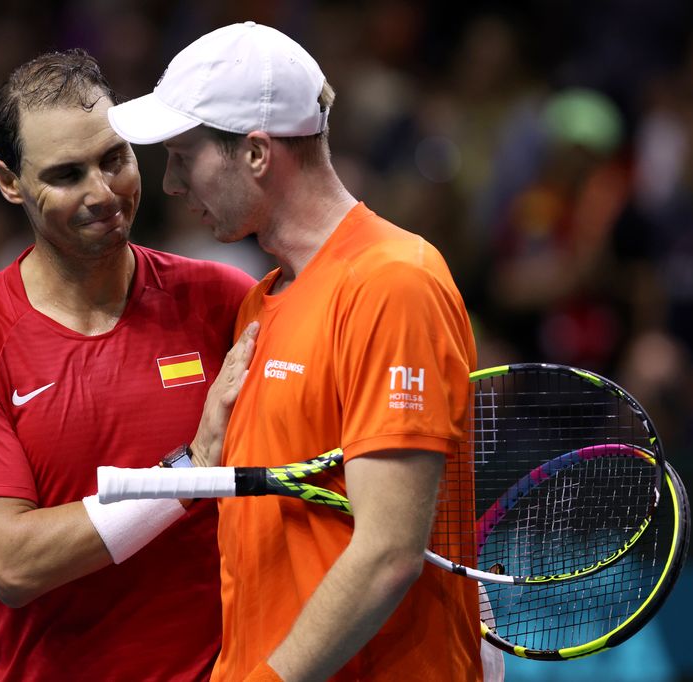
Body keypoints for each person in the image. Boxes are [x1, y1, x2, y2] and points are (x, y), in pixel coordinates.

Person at [108, 22, 489, 681]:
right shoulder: (263, 302)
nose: (168, 184)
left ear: (256, 153)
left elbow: (389, 552)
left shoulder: (393, 282)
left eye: (183, 156)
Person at [0, 48, 258, 681]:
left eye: (114, 159)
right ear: (8, 181)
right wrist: (191, 471)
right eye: (67, 174)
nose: (103, 193)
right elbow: (15, 567)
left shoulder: (225, 300)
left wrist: (54, 527)